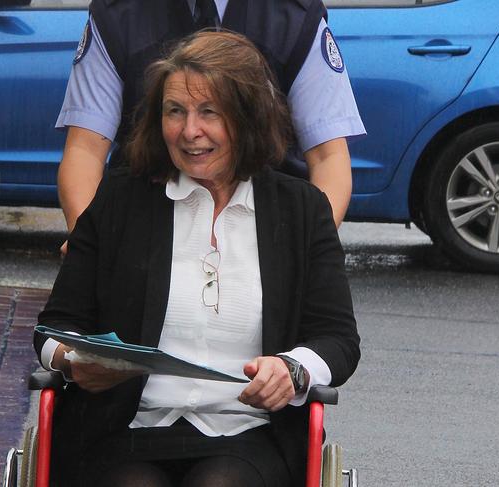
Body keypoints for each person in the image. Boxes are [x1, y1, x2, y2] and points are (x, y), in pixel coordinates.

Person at [35, 31, 359, 487]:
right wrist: (71, 360)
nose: (190, 131)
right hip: (125, 428)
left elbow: (337, 338)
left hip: (249, 432)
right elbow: (56, 326)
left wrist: (293, 369)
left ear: (247, 118)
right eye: (175, 112)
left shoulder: (301, 210)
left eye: (210, 112)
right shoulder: (119, 201)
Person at [56, 0, 365, 245]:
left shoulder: (292, 14)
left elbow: (329, 158)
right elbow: (85, 151)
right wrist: (88, 244)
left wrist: (311, 252)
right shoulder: (119, 13)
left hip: (268, 230)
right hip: (144, 233)